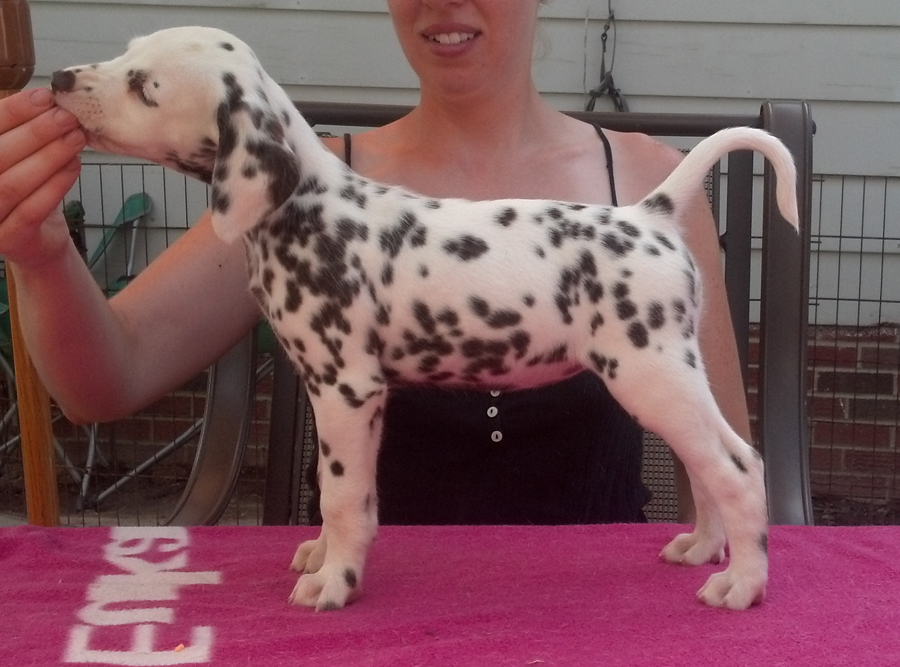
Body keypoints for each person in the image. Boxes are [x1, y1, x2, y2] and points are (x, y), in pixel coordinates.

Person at [0, 0, 750, 525]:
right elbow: (105, 381)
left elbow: (714, 450)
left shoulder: (651, 186)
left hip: (593, 602)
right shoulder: (282, 186)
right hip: (382, 609)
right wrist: (41, 253)